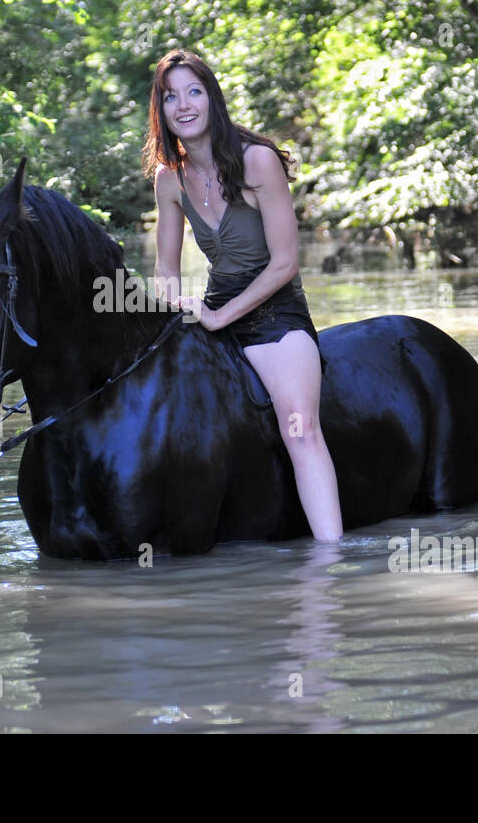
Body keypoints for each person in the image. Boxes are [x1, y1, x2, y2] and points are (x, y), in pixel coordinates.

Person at [142, 48, 343, 542]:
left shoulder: (257, 161)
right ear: (161, 110)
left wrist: (219, 316)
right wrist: (174, 308)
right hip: (214, 312)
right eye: (171, 97)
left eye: (194, 91)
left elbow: (285, 264)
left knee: (301, 431)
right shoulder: (168, 179)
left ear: (213, 99)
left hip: (276, 317)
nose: (183, 105)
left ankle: (331, 564)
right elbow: (166, 268)